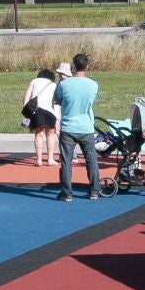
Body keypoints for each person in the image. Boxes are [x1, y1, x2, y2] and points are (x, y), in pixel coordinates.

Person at [53, 52, 102, 201]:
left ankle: (67, 193)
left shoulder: (64, 84)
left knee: (66, 162)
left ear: (73, 66)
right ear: (87, 66)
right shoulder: (93, 85)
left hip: (68, 127)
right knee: (91, 160)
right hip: (86, 126)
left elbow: (57, 100)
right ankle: (94, 190)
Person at [23, 64, 61, 169]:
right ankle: (50, 159)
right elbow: (56, 102)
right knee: (50, 135)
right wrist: (58, 118)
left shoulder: (34, 81)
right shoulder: (53, 85)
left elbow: (27, 96)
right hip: (50, 111)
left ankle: (39, 159)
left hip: (36, 110)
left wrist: (26, 111)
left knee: (38, 134)